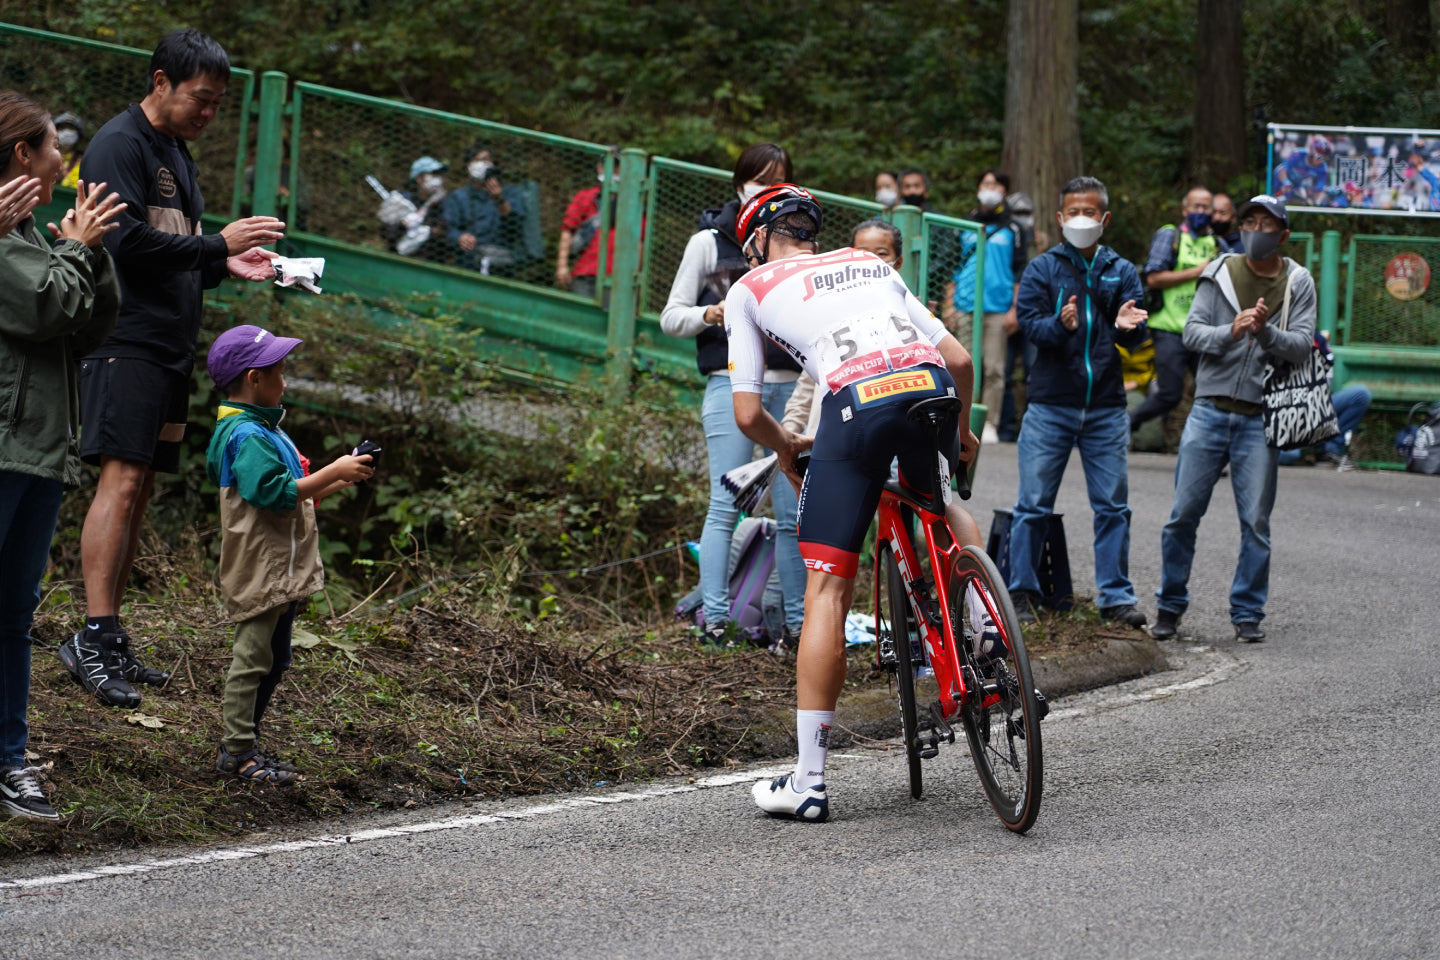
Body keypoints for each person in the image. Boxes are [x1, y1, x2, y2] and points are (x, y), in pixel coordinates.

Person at [724, 184, 979, 822]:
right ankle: (981, 625)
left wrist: (786, 448)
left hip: (854, 408)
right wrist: (964, 432)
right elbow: (960, 357)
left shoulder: (748, 288)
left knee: (826, 590)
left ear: (757, 240)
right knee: (938, 507)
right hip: (929, 392)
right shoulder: (868, 262)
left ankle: (809, 782)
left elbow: (749, 412)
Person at [61, 29, 286, 709]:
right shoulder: (118, 144)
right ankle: (91, 637)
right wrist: (217, 242)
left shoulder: (176, 155)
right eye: (201, 99)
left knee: (145, 486)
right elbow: (122, 242)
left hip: (169, 347)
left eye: (218, 104)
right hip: (123, 339)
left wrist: (223, 262)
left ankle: (113, 633)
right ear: (161, 81)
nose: (208, 114)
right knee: (121, 479)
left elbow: (177, 251)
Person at [0, 93, 124, 820]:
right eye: (53, 148)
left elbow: (87, 323)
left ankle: (10, 762)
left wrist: (90, 250)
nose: (62, 163)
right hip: (6, 448)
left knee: (13, 615)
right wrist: (76, 252)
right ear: (23, 154)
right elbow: (47, 306)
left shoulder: (34, 237)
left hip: (41, 452)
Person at [205, 325, 375, 784]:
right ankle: (237, 752)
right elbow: (276, 494)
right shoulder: (246, 434)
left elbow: (299, 492)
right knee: (253, 660)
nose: (286, 381)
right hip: (262, 566)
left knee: (275, 660)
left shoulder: (265, 428)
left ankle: (246, 745)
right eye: (280, 372)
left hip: (281, 567)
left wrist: (340, 477)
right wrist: (332, 469)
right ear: (254, 378)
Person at [660, 143, 807, 648]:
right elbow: (670, 315)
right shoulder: (709, 242)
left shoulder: (797, 244)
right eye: (757, 180)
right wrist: (713, 313)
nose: (765, 190)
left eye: (776, 181)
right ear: (738, 184)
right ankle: (716, 622)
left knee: (792, 514)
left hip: (792, 390)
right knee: (726, 505)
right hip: (729, 381)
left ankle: (797, 627)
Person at [1152, 195, 1315, 643]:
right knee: (1182, 515)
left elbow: (1303, 345)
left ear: (1282, 234)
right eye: (1250, 221)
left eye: (1267, 224)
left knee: (1256, 523)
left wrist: (1267, 333)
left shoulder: (1299, 281)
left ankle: (1247, 613)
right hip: (1208, 410)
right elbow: (1192, 333)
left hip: (1262, 418)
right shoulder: (1219, 271)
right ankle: (1169, 606)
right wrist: (1234, 330)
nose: (1256, 230)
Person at [1008, 176, 1150, 628]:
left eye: (1090, 212)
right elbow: (1031, 328)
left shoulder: (1121, 270)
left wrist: (1129, 325)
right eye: (1074, 212)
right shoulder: (1042, 269)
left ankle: (1115, 597)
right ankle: (1022, 593)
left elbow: (1137, 330)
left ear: (1105, 219)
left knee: (1112, 505)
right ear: (1060, 217)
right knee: (1033, 502)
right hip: (1051, 404)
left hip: (1106, 406)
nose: (1082, 220)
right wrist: (1061, 323)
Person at [945, 168, 1027, 445]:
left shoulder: (1014, 228)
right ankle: (960, 420)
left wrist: (1015, 308)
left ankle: (989, 422)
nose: (990, 188)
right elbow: (953, 266)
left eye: (996, 184)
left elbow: (1019, 271)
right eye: (986, 183)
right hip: (965, 305)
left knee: (994, 368)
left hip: (997, 307)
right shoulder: (965, 224)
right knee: (963, 365)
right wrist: (949, 304)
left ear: (1004, 191)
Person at [1133, 186, 1217, 439]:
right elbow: (1154, 277)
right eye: (1195, 207)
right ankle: (1127, 423)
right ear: (1184, 210)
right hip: (1169, 328)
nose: (1200, 212)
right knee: (1170, 394)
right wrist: (1196, 272)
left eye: (1206, 208)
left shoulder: (1217, 243)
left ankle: (1204, 451)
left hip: (1203, 331)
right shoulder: (1170, 237)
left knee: (1209, 394)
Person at [443, 145, 527, 275]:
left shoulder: (511, 193)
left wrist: (500, 200)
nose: (481, 164)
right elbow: (448, 228)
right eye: (477, 160)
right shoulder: (458, 197)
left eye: (486, 160)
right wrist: (460, 237)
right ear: (468, 167)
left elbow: (515, 227)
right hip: (467, 261)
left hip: (500, 261)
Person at [556, 148, 620, 301]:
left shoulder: (631, 204)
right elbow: (568, 230)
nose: (612, 170)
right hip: (584, 272)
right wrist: (562, 265)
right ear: (599, 168)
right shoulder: (585, 198)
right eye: (606, 165)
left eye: (616, 165)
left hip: (616, 278)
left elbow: (639, 242)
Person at [898, 166, 955, 313]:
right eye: (907, 187)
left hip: (932, 292)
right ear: (900, 192)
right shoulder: (893, 220)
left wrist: (915, 275)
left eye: (917, 186)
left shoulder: (939, 222)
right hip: (898, 293)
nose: (912, 191)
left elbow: (945, 258)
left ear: (926, 191)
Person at [380, 155, 451, 262]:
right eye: (433, 174)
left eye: (439, 175)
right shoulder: (400, 201)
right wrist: (404, 224)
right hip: (399, 260)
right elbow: (386, 234)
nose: (438, 179)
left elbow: (446, 236)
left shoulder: (442, 204)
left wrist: (432, 231)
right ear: (418, 179)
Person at [54, 112, 84, 189]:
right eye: (63, 128)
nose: (67, 132)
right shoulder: (45, 156)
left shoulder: (83, 161)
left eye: (71, 129)